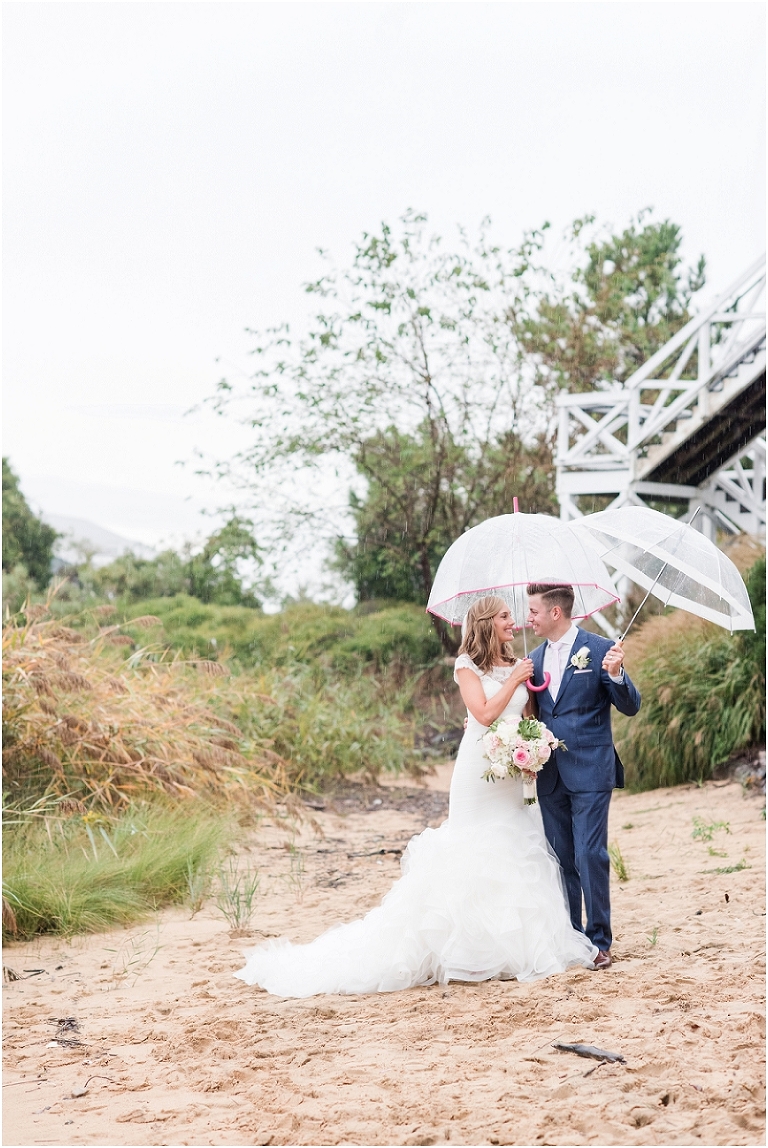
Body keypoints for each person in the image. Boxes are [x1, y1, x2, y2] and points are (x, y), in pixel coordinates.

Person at [235, 595, 597, 998]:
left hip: (512, 770)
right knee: (475, 846)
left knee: (517, 844)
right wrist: (511, 686)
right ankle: (461, 948)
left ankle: (512, 949)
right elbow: (482, 714)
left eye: (514, 616)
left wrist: (531, 746)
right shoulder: (467, 666)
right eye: (505, 617)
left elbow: (526, 715)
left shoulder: (518, 665)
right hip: (479, 773)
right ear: (485, 623)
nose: (514, 623)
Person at [526, 583, 641, 970]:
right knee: (561, 858)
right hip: (549, 773)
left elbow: (630, 706)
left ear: (555, 612)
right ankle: (571, 937)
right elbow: (533, 713)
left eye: (534, 611)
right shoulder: (532, 660)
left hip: (592, 768)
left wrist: (617, 673)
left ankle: (599, 941)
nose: (530, 618)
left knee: (590, 854)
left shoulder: (601, 648)